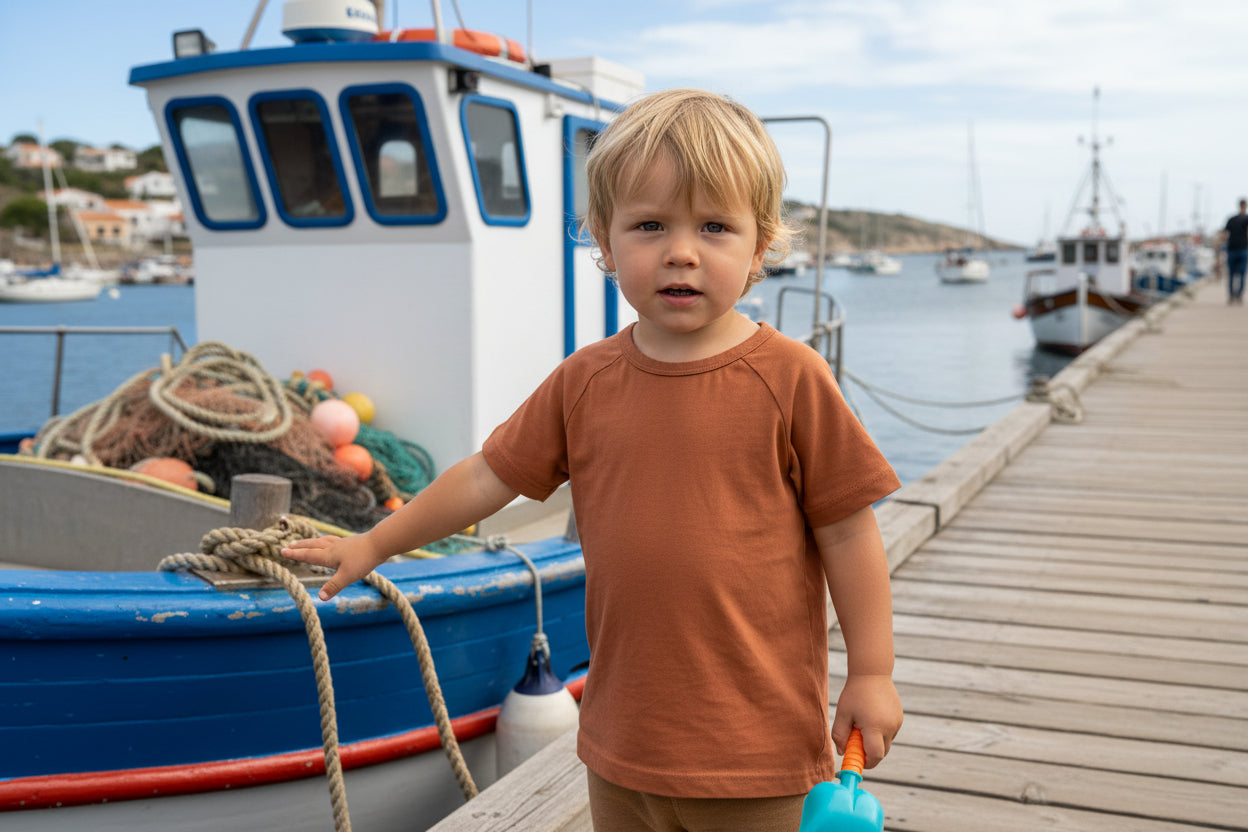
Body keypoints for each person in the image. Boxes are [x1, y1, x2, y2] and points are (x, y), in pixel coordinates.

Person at [283, 88, 903, 832]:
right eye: (650, 225)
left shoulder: (791, 378)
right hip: (622, 747)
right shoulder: (586, 382)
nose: (681, 249)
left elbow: (846, 529)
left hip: (756, 754)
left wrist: (871, 673)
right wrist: (376, 542)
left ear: (760, 245)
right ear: (605, 245)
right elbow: (486, 477)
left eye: (714, 226)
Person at [1223, 198, 1248, 304]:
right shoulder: (1247, 219)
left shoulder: (1231, 219)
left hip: (1232, 249)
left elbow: (1224, 235)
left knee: (1231, 275)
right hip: (1243, 249)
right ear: (1245, 206)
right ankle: (1239, 296)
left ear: (1239, 206)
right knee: (1242, 274)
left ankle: (1231, 296)